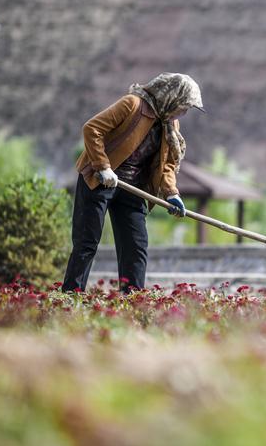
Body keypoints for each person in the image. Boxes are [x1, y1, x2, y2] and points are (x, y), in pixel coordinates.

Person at [61, 73, 207, 293]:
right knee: (87, 242)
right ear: (171, 98)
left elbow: (166, 164)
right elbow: (92, 129)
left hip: (134, 187)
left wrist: (171, 193)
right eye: (183, 107)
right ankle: (71, 296)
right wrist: (103, 166)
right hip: (101, 179)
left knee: (136, 246)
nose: (183, 113)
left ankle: (133, 301)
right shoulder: (133, 104)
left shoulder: (170, 124)